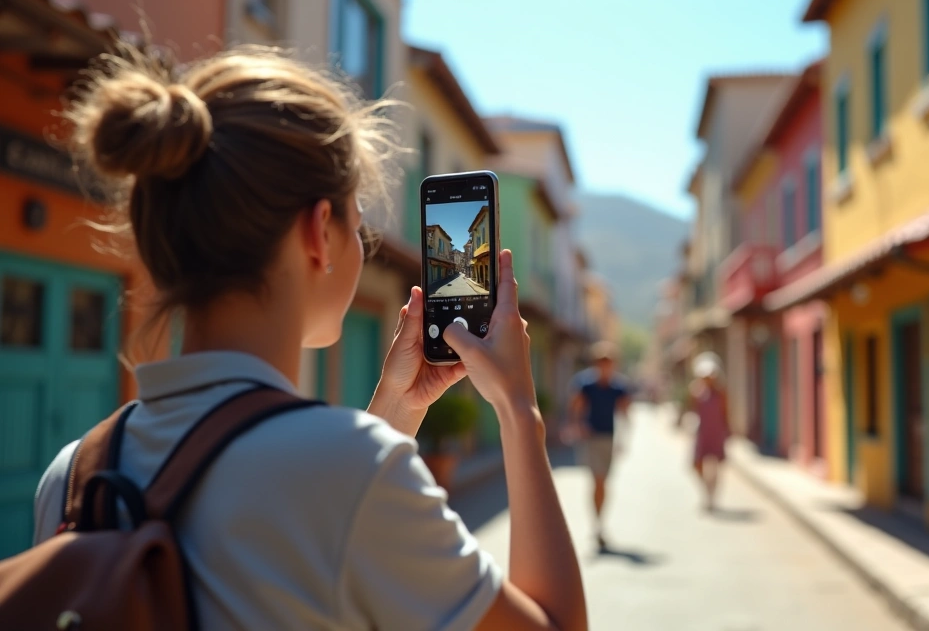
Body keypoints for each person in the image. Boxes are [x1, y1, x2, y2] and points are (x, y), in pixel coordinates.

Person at [30, 46, 586, 631]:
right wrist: (519, 412)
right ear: (320, 232)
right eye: (354, 219)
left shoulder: (71, 474)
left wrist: (395, 409)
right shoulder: (356, 475)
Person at [567, 342, 631, 549]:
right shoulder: (585, 384)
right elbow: (576, 407)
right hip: (591, 438)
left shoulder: (618, 386)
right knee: (598, 480)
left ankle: (599, 522)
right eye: (602, 361)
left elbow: (624, 413)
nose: (605, 365)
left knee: (603, 482)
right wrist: (578, 426)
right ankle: (598, 525)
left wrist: (623, 439)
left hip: (608, 438)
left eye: (609, 362)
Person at [681, 352, 730, 512]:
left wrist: (728, 430)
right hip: (702, 433)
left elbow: (726, 412)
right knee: (697, 464)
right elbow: (690, 410)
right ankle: (706, 490)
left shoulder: (721, 393)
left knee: (715, 467)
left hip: (716, 432)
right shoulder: (696, 392)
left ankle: (711, 496)